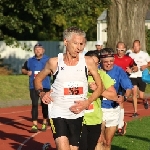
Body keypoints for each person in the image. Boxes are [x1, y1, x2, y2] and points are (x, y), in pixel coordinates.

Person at [34, 27, 103, 150]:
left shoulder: (88, 62)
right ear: (66, 42)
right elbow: (37, 79)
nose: (79, 47)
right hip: (57, 111)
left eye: (82, 44)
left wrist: (87, 102)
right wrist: (42, 93)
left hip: (77, 113)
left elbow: (100, 86)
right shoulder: (54, 62)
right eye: (75, 43)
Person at [79, 51, 120, 150]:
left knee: (92, 146)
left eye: (96, 63)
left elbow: (114, 96)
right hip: (78, 118)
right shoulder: (76, 74)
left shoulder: (101, 74)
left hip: (94, 119)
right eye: (90, 63)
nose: (93, 66)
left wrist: (98, 90)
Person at [96, 48, 133, 150]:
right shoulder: (95, 70)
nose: (109, 64)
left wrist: (124, 97)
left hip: (113, 110)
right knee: (99, 140)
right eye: (106, 62)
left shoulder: (119, 71)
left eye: (111, 61)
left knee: (107, 142)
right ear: (100, 61)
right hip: (98, 109)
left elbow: (128, 87)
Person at [21, 43, 51, 132]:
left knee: (44, 105)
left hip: (45, 86)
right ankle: (34, 125)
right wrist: (27, 72)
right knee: (34, 104)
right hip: (33, 86)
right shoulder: (30, 60)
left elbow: (54, 70)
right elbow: (23, 69)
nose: (38, 51)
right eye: (36, 49)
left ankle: (44, 122)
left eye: (39, 49)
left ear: (43, 50)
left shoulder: (48, 60)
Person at [114, 41, 138, 135]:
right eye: (118, 50)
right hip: (112, 83)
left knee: (120, 102)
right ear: (116, 49)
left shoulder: (129, 59)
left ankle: (120, 126)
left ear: (125, 50)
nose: (120, 52)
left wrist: (131, 69)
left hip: (123, 83)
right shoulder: (113, 57)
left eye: (122, 50)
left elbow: (136, 68)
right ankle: (121, 123)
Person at [128, 40, 150, 117]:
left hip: (142, 76)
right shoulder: (130, 55)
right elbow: (128, 64)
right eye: (134, 46)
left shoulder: (144, 54)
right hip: (133, 76)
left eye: (137, 46)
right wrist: (130, 69)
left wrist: (146, 66)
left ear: (140, 46)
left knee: (141, 96)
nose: (135, 47)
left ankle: (145, 100)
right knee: (134, 92)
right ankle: (135, 112)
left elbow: (149, 62)